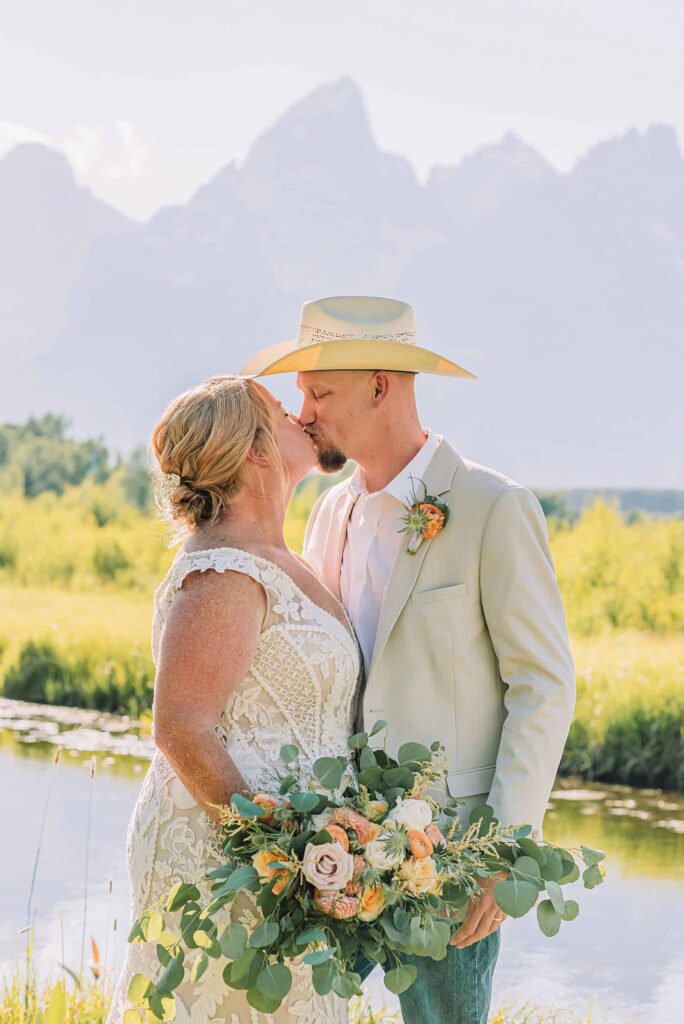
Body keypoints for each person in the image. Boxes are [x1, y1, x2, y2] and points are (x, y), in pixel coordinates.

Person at [241, 295, 576, 1024]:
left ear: (380, 386)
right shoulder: (331, 510)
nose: (303, 410)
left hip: (450, 856)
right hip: (328, 851)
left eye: (319, 390)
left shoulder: (493, 507)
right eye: (300, 391)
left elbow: (543, 684)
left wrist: (503, 847)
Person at [107, 376, 361, 1024]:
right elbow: (180, 728)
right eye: (281, 412)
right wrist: (276, 853)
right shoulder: (223, 569)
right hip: (227, 863)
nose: (302, 419)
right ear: (253, 449)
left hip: (303, 865)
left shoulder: (284, 558)